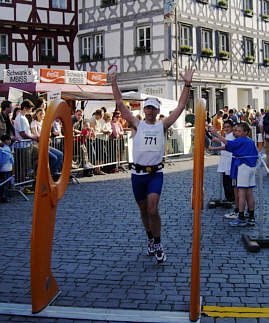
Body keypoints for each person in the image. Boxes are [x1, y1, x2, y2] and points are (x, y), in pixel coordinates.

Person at [110, 65, 195, 263]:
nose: (149, 111)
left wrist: (187, 84)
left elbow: (180, 108)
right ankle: (149, 238)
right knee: (143, 210)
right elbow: (120, 104)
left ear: (157, 111)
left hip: (155, 174)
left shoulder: (162, 125)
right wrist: (113, 82)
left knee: (153, 209)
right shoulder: (136, 124)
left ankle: (158, 242)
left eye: (153, 108)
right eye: (147, 107)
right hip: (137, 175)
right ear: (143, 109)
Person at [209, 122, 258, 227]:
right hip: (250, 168)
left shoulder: (241, 140)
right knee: (249, 192)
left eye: (238, 131)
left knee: (241, 192)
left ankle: (240, 216)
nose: (236, 132)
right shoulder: (250, 141)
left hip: (242, 167)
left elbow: (228, 144)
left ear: (245, 132)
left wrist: (216, 134)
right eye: (235, 130)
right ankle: (251, 215)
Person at [211, 119, 235, 202]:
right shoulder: (228, 135)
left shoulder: (232, 135)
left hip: (229, 160)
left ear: (232, 127)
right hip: (225, 160)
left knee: (228, 181)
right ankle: (228, 197)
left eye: (228, 127)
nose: (226, 129)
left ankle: (230, 198)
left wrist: (214, 148)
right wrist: (216, 139)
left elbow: (226, 145)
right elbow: (224, 141)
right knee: (226, 180)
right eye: (225, 127)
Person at [0, 134, 14, 203]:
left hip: (4, 168)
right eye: (8, 140)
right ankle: (4, 196)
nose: (10, 141)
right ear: (5, 141)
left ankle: (3, 196)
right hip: (6, 168)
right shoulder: (6, 148)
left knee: (3, 183)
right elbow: (5, 159)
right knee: (5, 184)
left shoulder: (4, 148)